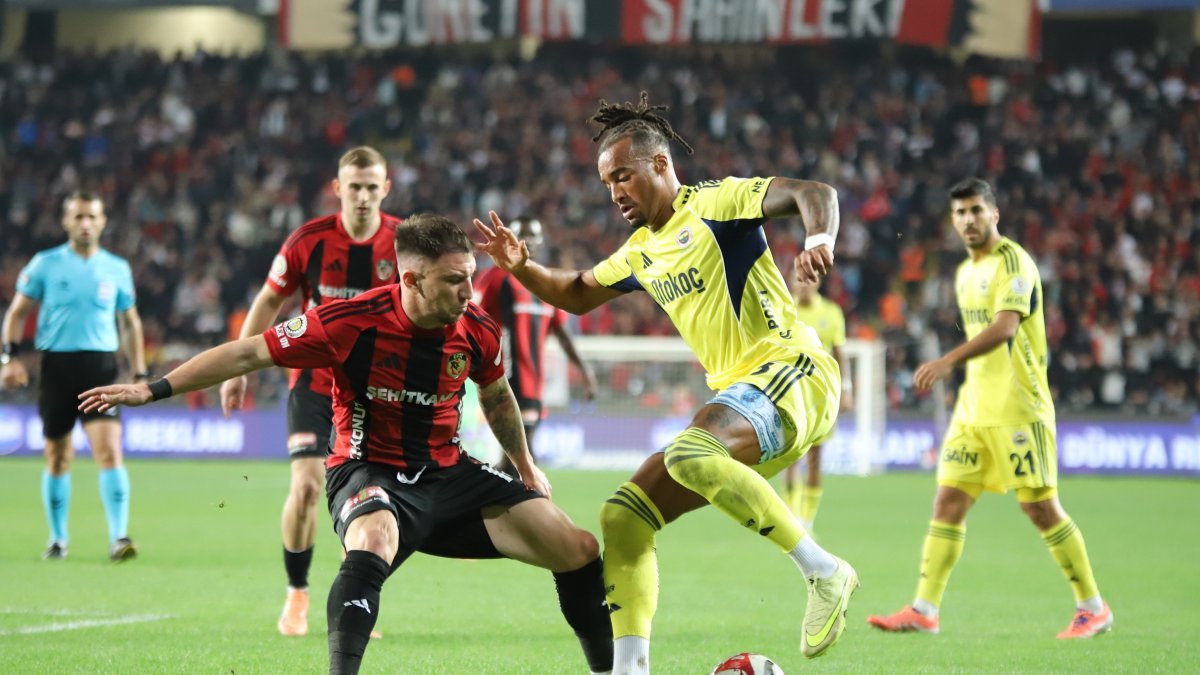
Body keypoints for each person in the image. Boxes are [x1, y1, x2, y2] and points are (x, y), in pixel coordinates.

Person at [81, 214, 614, 675]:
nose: (468, 293)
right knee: (374, 536)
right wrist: (151, 389)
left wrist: (524, 463)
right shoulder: (348, 321)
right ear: (411, 278)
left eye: (470, 278)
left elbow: (497, 396)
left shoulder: (476, 327)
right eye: (454, 281)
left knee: (579, 550)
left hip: (449, 474)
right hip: (367, 470)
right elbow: (247, 354)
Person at [474, 93, 858, 672]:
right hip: (745, 404)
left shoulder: (717, 202)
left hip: (793, 371)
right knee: (622, 518)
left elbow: (816, 193)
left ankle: (824, 571)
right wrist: (522, 266)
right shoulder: (640, 252)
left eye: (622, 177)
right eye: (607, 184)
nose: (615, 194)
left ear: (659, 165)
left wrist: (818, 240)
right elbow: (577, 292)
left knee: (687, 453)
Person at [866, 178, 1112, 639]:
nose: (968, 220)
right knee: (948, 502)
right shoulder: (964, 272)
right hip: (973, 411)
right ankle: (924, 609)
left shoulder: (1013, 262)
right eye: (960, 213)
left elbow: (1003, 329)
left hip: (1019, 408)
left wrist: (946, 362)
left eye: (977, 210)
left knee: (1040, 508)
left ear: (994, 214)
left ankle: (1093, 606)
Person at [219, 146, 402, 636]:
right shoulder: (309, 241)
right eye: (354, 187)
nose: (363, 196)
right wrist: (241, 368)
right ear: (337, 188)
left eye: (372, 187)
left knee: (368, 498)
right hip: (315, 383)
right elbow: (268, 301)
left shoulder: (404, 243)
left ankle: (354, 600)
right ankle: (296, 595)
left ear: (385, 189)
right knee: (305, 486)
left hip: (376, 391)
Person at [1, 191, 146, 562]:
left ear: (103, 222)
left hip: (101, 368)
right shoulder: (45, 264)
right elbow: (16, 313)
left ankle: (120, 537)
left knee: (110, 452)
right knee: (57, 456)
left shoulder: (116, 268)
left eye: (92, 217)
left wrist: (141, 372)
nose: (85, 224)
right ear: (66, 221)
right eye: (78, 217)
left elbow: (129, 324)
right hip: (57, 368)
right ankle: (58, 540)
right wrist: (9, 359)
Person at [473, 215, 597, 474]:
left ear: (541, 243)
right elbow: (470, 318)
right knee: (524, 457)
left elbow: (562, 332)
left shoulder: (546, 282)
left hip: (535, 385)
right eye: (521, 235)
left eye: (533, 236)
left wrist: (585, 371)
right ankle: (539, 507)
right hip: (503, 381)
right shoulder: (495, 278)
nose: (527, 241)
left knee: (516, 460)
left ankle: (496, 504)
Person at [781, 277, 852, 534]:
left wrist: (846, 390)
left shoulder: (831, 312)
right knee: (789, 455)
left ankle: (807, 520)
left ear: (818, 281)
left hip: (821, 394)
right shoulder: (784, 307)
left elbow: (839, 354)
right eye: (798, 279)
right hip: (789, 392)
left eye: (807, 279)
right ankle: (791, 516)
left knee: (814, 458)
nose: (803, 284)